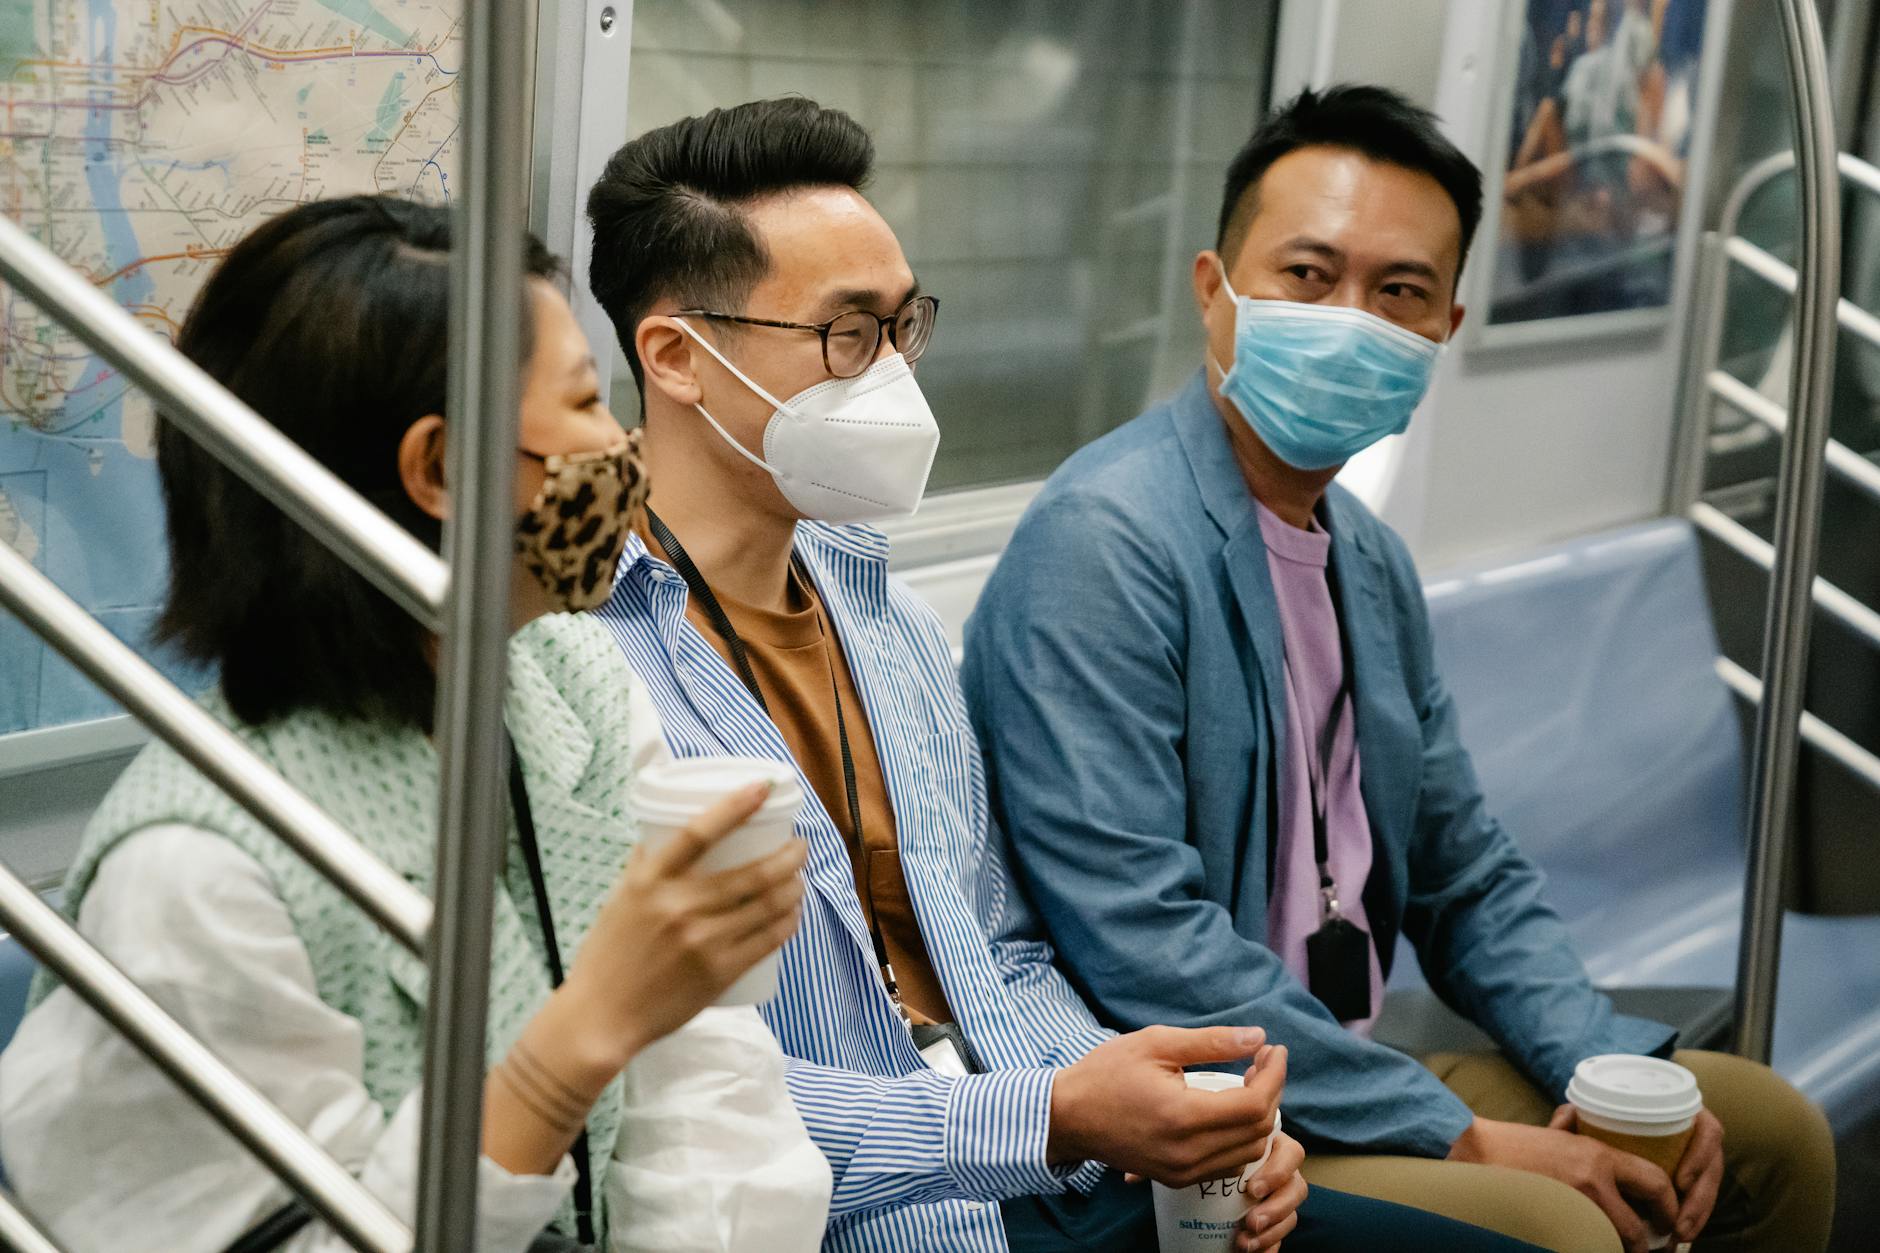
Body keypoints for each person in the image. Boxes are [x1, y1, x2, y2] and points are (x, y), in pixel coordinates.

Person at [585, 95, 1546, 1253]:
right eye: (848, 334)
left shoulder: (873, 604)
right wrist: (1043, 1115)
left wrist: (1179, 1116)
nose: (891, 374)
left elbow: (997, 947)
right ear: (677, 358)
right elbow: (670, 1111)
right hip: (893, 1208)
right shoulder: (592, 666)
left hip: (1067, 1169)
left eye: (904, 326)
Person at [961, 85, 1837, 1253]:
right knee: (1558, 1221)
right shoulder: (1105, 544)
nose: (1346, 319)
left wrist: (1603, 1060)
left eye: (1397, 293)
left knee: (1765, 1129)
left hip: (1342, 1051)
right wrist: (1457, 1130)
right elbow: (1142, 943)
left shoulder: (1364, 557)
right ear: (1212, 289)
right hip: (1211, 1116)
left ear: (1443, 330)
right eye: (1307, 275)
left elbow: (1461, 870)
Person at [0, 196, 831, 1252]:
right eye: (582, 404)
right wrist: (569, 1047)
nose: (622, 449)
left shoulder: (566, 677)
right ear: (440, 469)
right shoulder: (200, 870)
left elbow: (706, 1103)